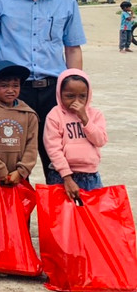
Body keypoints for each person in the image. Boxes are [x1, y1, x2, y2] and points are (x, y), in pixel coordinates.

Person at [0, 0, 86, 178]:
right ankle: (16, 216)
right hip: (15, 93)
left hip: (55, 92)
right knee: (13, 163)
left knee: (60, 161)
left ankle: (61, 215)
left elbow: (72, 49)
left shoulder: (66, 2)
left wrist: (78, 94)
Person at [44, 69, 107, 201]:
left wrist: (85, 119)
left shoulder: (95, 115)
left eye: (82, 96)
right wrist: (67, 177)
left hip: (90, 175)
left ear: (88, 95)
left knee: (91, 217)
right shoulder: (55, 115)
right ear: (59, 94)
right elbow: (53, 149)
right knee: (63, 218)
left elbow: (100, 141)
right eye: (70, 96)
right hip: (61, 176)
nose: (76, 101)